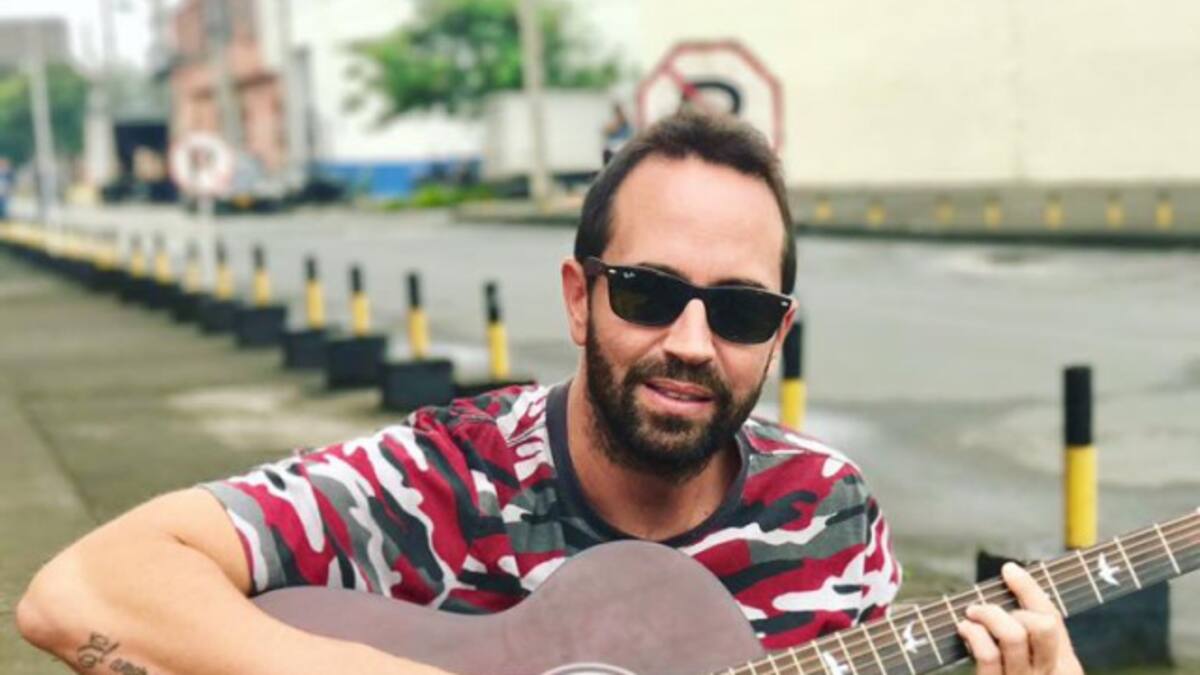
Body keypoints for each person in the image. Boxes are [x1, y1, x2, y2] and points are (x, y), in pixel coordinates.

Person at [16, 111, 1081, 674]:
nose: (693, 344)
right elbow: (80, 596)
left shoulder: (831, 517)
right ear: (580, 297)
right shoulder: (443, 479)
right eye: (649, 293)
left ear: (779, 334)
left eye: (741, 311)